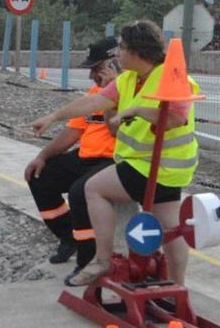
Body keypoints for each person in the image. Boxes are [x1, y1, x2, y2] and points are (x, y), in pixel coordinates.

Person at [29, 20, 200, 287]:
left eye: (122, 47)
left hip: (156, 168)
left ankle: (103, 260)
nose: (118, 53)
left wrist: (136, 111)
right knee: (169, 227)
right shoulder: (129, 79)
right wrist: (54, 116)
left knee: (93, 189)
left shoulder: (174, 77)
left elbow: (175, 118)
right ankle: (177, 287)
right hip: (150, 166)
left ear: (137, 51)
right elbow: (93, 102)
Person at [24, 37, 119, 274]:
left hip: (113, 161)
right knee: (40, 177)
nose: (91, 76)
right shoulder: (95, 91)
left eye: (96, 69)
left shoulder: (126, 90)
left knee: (80, 192)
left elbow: (114, 129)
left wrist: (112, 96)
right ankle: (69, 237)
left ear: (113, 63)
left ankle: (87, 261)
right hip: (85, 157)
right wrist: (42, 157)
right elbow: (73, 131)